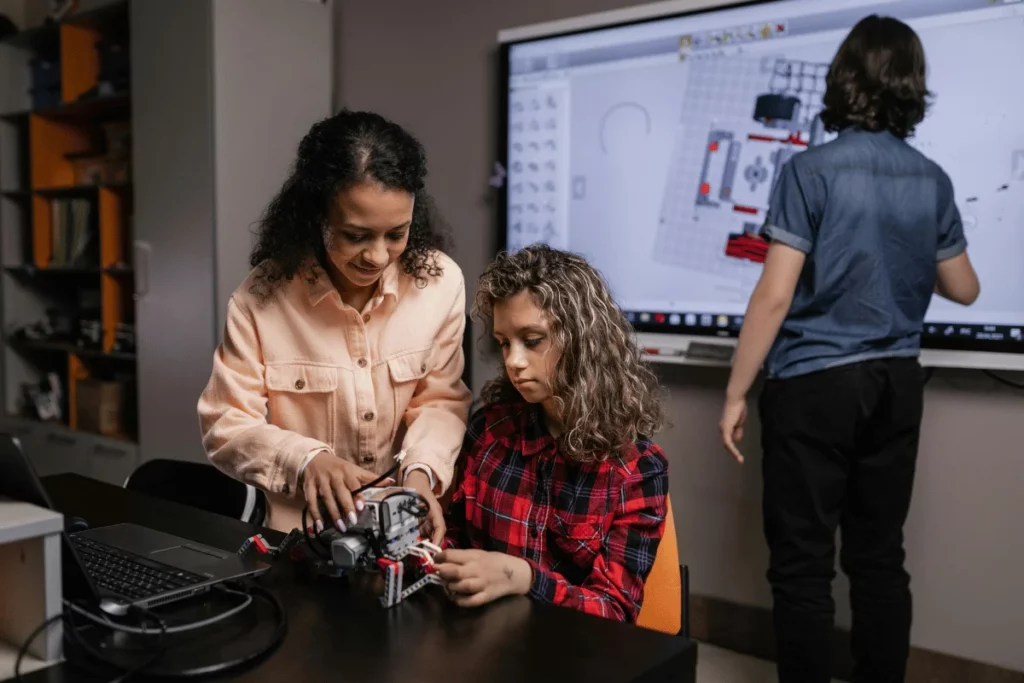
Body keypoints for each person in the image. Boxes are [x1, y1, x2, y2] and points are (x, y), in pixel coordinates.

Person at [717, 16, 980, 683]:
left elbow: (774, 296)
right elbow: (965, 288)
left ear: (842, 80)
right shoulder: (933, 178)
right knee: (879, 556)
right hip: (896, 384)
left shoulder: (810, 170)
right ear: (910, 87)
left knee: (803, 562)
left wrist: (736, 391)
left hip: (816, 386)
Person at [197, 110, 472, 541]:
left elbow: (440, 401)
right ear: (316, 217)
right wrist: (306, 461)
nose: (378, 257)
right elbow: (226, 424)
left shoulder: (440, 285)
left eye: (396, 234)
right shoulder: (259, 300)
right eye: (356, 236)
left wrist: (421, 475)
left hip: (405, 530)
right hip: (300, 538)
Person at [436, 244, 669, 623]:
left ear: (581, 339)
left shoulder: (638, 470)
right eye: (504, 343)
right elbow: (455, 537)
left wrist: (523, 578)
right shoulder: (489, 429)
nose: (513, 361)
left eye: (532, 341)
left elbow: (614, 611)